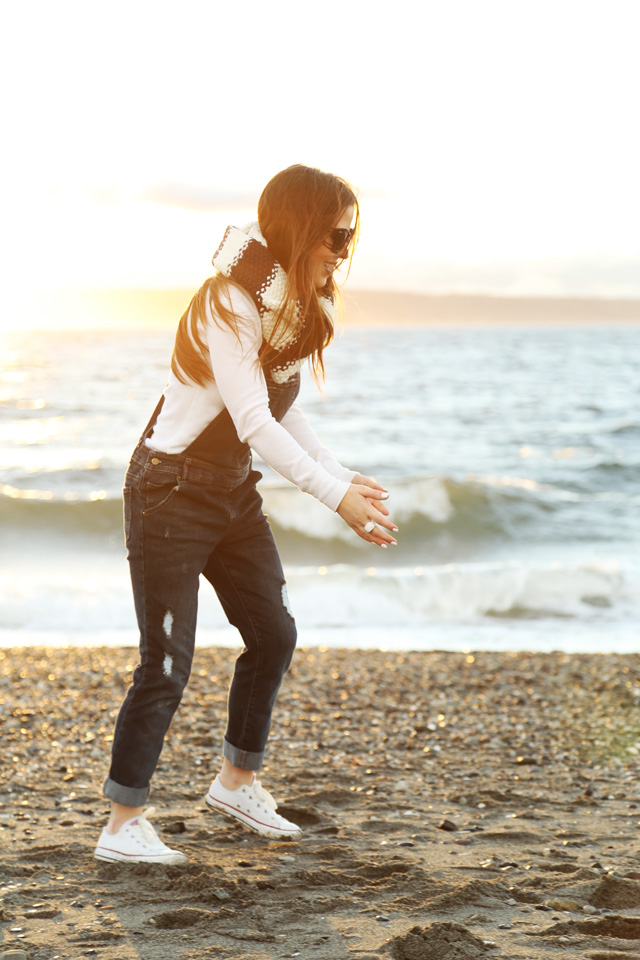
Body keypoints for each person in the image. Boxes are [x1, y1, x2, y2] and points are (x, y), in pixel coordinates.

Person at [94, 164, 398, 864]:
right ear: (299, 228)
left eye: (349, 238)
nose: (342, 252)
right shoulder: (231, 303)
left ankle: (236, 782)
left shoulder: (291, 312)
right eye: (336, 236)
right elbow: (254, 419)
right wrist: (333, 499)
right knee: (166, 663)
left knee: (274, 633)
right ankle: (121, 826)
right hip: (170, 489)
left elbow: (284, 418)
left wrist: (344, 474)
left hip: (231, 490)